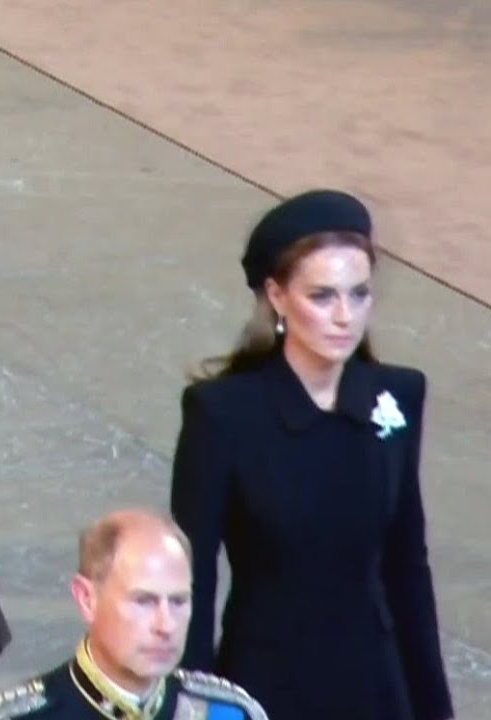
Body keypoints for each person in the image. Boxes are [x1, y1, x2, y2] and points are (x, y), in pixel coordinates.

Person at [169, 190, 453, 719]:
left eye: (359, 294)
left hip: (377, 689)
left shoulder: (396, 397)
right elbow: (195, 578)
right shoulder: (224, 415)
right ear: (276, 296)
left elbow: (407, 567)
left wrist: (435, 710)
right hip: (267, 686)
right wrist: (194, 705)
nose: (345, 316)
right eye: (322, 296)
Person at [0, 509, 268, 719]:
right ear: (87, 599)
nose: (166, 625)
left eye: (178, 601)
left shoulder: (229, 714)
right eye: (144, 601)